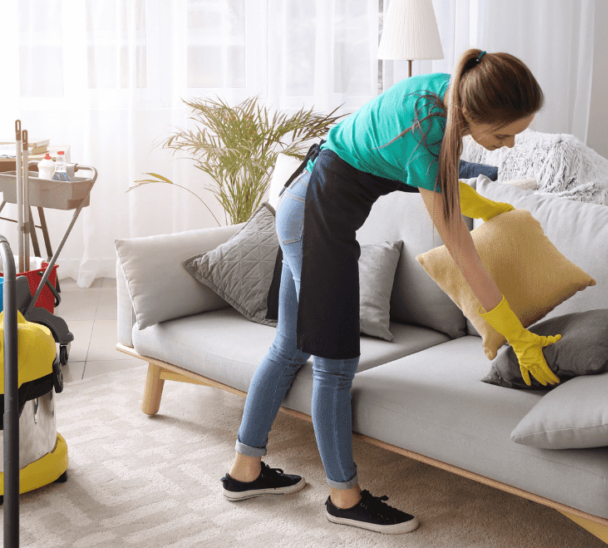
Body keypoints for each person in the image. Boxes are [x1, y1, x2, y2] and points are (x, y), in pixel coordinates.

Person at [219, 48, 563, 534]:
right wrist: (517, 335)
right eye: (503, 134)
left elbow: (443, 183)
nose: (507, 146)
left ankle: (244, 470)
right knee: (336, 364)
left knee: (290, 345)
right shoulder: (424, 132)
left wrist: (490, 210)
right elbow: (464, 254)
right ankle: (344, 497)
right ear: (470, 112)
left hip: (304, 202)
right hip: (315, 218)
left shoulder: (452, 91)